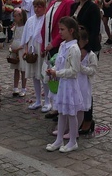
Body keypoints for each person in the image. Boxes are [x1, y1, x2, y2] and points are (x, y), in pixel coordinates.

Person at [45, 16, 84, 154]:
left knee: (71, 114)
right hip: (62, 85)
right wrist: (53, 69)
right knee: (61, 112)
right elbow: (59, 63)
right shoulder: (62, 45)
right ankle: (59, 139)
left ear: (71, 30)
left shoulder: (74, 49)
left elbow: (74, 71)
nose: (59, 32)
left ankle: (73, 141)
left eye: (62, 29)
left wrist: (58, 73)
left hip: (70, 86)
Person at [69, 0, 101, 134]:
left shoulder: (93, 8)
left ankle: (88, 119)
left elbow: (94, 31)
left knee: (85, 86)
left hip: (86, 48)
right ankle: (77, 116)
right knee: (74, 84)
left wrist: (85, 49)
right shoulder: (74, 6)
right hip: (74, 47)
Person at [24, 0, 48, 111]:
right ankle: (38, 100)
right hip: (32, 50)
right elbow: (26, 36)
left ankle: (47, 101)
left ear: (44, 7)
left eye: (40, 6)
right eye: (35, 6)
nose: (37, 9)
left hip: (41, 49)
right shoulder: (30, 20)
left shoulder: (46, 19)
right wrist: (26, 49)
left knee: (43, 75)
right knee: (34, 75)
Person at [77, 26, 97, 136]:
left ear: (86, 41)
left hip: (85, 82)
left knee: (86, 100)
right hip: (76, 81)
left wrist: (81, 68)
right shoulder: (75, 52)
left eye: (79, 40)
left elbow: (92, 71)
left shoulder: (91, 56)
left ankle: (88, 121)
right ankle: (79, 120)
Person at [9, 8, 27, 97]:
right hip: (15, 48)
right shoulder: (15, 27)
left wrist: (19, 48)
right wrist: (11, 46)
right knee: (16, 68)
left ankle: (23, 88)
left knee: (23, 69)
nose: (14, 18)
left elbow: (25, 40)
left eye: (16, 16)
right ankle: (15, 87)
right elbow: (14, 37)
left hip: (21, 49)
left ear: (21, 17)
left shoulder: (25, 27)